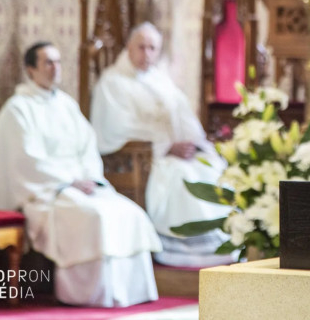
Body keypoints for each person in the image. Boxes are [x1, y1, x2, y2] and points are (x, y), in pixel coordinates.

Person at [0, 42, 161, 307]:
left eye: (58, 62)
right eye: (48, 62)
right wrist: (69, 181)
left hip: (82, 185)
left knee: (130, 212)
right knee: (95, 216)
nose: (56, 68)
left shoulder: (66, 104)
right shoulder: (17, 109)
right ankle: (89, 294)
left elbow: (87, 147)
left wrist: (89, 179)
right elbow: (26, 161)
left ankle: (128, 293)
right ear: (30, 69)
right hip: (47, 191)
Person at [90, 22, 232, 267]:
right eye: (141, 47)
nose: (146, 54)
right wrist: (166, 146)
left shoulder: (159, 80)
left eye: (152, 48)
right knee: (183, 175)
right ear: (129, 47)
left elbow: (184, 117)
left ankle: (220, 244)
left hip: (172, 152)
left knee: (210, 166)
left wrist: (192, 144)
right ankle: (185, 249)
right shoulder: (112, 82)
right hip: (144, 158)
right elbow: (116, 128)